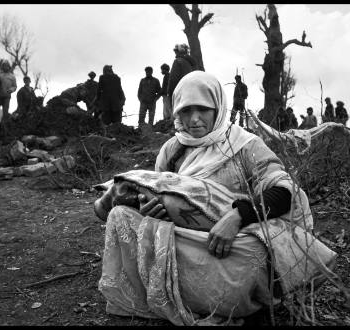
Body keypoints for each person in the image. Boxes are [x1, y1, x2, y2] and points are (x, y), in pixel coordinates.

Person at [96, 71, 336, 325]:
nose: (194, 119)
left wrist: (237, 216)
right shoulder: (172, 149)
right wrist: (149, 208)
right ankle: (189, 294)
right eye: (186, 111)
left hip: (227, 243)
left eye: (203, 109)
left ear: (218, 108)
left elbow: (283, 193)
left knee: (256, 250)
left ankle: (219, 297)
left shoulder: (244, 145)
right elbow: (159, 189)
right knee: (119, 216)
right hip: (182, 239)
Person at [0, 59, 17, 133]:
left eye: (7, 66)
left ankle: (4, 127)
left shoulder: (12, 76)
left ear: (9, 67)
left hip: (7, 97)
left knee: (5, 112)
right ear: (2, 67)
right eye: (4, 66)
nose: (5, 67)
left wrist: (11, 90)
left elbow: (15, 86)